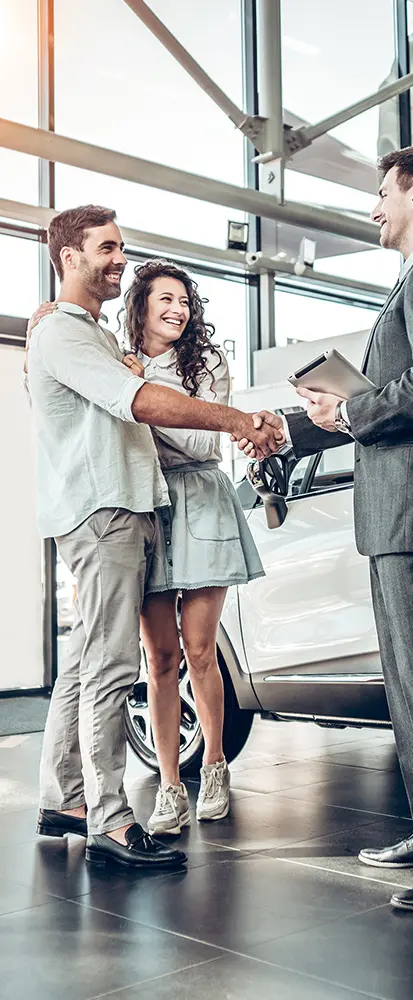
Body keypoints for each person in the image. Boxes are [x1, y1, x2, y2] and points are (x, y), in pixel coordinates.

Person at [241, 145, 413, 912]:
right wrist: (298, 427)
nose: (373, 208)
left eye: (382, 194)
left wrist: (351, 409)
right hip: (397, 511)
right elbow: (388, 393)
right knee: (408, 679)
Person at [26, 205, 281, 869]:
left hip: (124, 509)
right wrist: (235, 420)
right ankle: (111, 821)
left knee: (85, 662)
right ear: (69, 257)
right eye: (106, 248)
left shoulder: (88, 332)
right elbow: (136, 401)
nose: (119, 259)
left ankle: (64, 799)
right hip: (105, 512)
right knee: (114, 667)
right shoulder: (65, 333)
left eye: (121, 249)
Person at [119, 259, 264, 833]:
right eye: (166, 300)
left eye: (184, 301)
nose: (177, 310)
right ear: (142, 306)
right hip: (147, 503)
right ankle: (171, 786)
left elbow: (203, 443)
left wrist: (144, 397)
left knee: (201, 650)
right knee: (158, 658)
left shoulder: (208, 361)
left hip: (202, 501)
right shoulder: (121, 360)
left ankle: (215, 764)